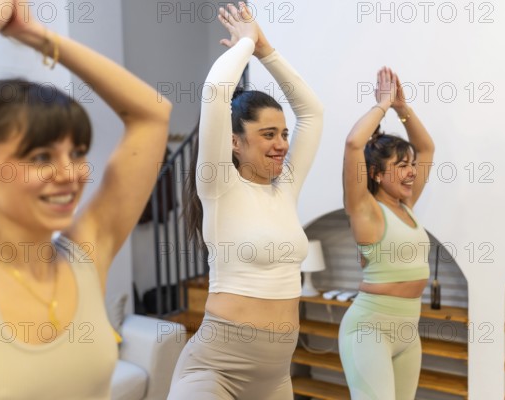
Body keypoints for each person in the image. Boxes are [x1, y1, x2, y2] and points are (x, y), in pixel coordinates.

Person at [0, 1, 171, 398]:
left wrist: (39, 37)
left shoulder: (87, 256)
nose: (71, 174)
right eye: (40, 157)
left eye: (76, 152)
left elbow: (153, 114)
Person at [169, 2, 323, 399]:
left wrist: (267, 51)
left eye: (284, 134)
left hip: (274, 378)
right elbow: (216, 91)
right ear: (235, 142)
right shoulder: (219, 186)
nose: (282, 144)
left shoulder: (285, 187)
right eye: (269, 134)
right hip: (215, 370)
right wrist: (245, 44)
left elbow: (313, 113)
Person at [339, 66, 435, 400]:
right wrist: (382, 104)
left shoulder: (405, 206)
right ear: (377, 174)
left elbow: (427, 149)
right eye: (402, 166)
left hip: (409, 331)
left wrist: (402, 109)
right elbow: (353, 144)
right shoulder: (366, 210)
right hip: (369, 330)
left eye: (411, 165)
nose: (412, 172)